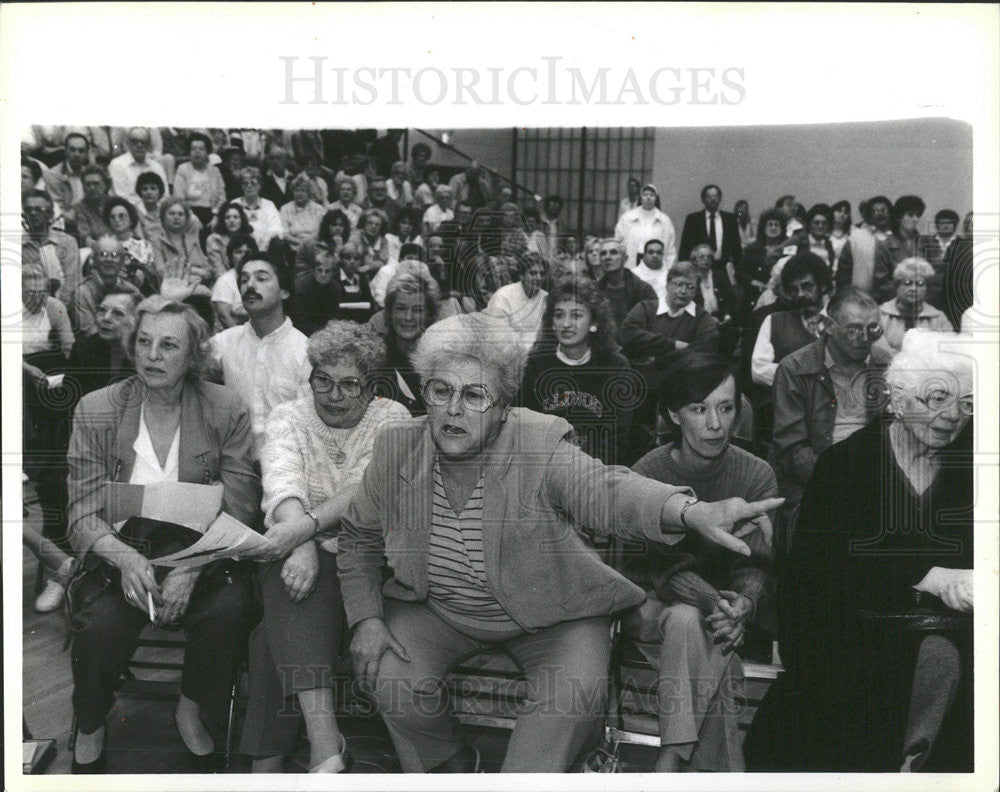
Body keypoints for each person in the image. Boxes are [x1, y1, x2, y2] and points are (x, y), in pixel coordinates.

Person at [336, 312, 784, 773]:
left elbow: (608, 490)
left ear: (505, 406)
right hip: (443, 609)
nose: (454, 409)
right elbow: (357, 538)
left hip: (554, 615)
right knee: (387, 672)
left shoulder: (537, 440)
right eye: (440, 390)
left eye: (474, 395)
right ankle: (449, 762)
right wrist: (366, 618)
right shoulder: (396, 448)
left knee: (573, 693)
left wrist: (693, 511)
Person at [746, 329, 974, 772]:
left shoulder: (976, 468)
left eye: (966, 404)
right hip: (854, 647)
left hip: (958, 642)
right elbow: (812, 582)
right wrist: (928, 575)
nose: (952, 416)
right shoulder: (846, 467)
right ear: (898, 397)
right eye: (937, 398)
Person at [65, 296, 260, 773]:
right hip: (122, 550)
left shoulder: (224, 407)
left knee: (231, 610)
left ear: (193, 356)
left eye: (169, 345)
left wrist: (192, 569)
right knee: (99, 624)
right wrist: (125, 560)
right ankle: (90, 720)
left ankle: (190, 707)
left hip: (202, 549)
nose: (153, 355)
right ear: (131, 348)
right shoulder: (97, 409)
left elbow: (241, 506)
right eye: (145, 342)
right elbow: (81, 514)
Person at [240, 321, 410, 774]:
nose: (334, 395)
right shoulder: (288, 417)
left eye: (349, 384)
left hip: (369, 559)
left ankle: (273, 762)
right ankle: (324, 745)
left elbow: (364, 489)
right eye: (323, 380)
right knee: (288, 580)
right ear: (310, 377)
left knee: (267, 639)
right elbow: (281, 482)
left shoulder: (392, 419)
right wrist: (302, 542)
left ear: (371, 387)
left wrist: (303, 530)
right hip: (297, 551)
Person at [620, 351, 777, 771]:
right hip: (652, 607)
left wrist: (744, 603)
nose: (715, 424)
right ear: (673, 414)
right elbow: (655, 570)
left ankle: (669, 761)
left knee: (694, 625)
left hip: (721, 620)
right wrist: (717, 603)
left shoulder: (755, 474)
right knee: (688, 618)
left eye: (726, 408)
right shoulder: (645, 473)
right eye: (699, 409)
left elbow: (756, 562)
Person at [769, 288, 891, 506]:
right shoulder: (794, 368)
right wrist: (838, 483)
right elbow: (792, 449)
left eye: (873, 329)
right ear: (830, 326)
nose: (865, 338)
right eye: (854, 330)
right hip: (814, 479)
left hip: (874, 476)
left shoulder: (885, 365)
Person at [518, 278, 635, 465]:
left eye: (576, 315)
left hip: (597, 470)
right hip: (544, 467)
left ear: (594, 322)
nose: (566, 324)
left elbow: (618, 437)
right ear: (552, 322)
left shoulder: (616, 367)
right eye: (558, 315)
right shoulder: (536, 364)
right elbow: (523, 426)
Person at [210, 252, 311, 456]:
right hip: (234, 463)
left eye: (261, 278)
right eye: (244, 279)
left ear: (284, 291)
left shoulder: (304, 351)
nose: (250, 286)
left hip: (287, 464)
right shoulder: (224, 342)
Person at [22, 267, 75, 613]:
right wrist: (28, 371)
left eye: (43, 291)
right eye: (30, 292)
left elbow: (70, 347)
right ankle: (63, 567)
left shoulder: (55, 307)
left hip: (49, 383)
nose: (37, 298)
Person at [750, 252, 832, 390]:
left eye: (806, 286)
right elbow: (759, 371)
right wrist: (804, 374)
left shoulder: (840, 318)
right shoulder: (774, 321)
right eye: (794, 289)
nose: (800, 294)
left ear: (822, 285)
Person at [621, 260, 720, 365]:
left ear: (695, 291)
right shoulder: (645, 308)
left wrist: (658, 359)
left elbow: (704, 350)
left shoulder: (702, 317)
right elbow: (627, 334)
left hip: (682, 376)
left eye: (690, 287)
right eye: (678, 284)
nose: (683, 291)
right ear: (667, 285)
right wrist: (673, 345)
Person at [379, 271, 442, 416]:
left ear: (429, 315)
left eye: (418, 310)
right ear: (389, 312)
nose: (408, 317)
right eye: (400, 308)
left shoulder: (440, 356)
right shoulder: (375, 355)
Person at [71, 236, 145, 336]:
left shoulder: (132, 290)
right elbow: (91, 332)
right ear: (93, 260)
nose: (109, 260)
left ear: (122, 261)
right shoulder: (82, 293)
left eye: (115, 255)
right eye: (103, 255)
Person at [876, 258, 953, 352]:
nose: (913, 289)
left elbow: (947, 348)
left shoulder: (938, 318)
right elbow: (876, 346)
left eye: (920, 284)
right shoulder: (880, 314)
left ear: (927, 288)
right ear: (897, 286)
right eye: (907, 283)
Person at [21, 189, 82, 307]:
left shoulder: (67, 242)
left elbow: (72, 282)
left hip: (60, 305)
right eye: (29, 210)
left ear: (50, 214)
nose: (33, 213)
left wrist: (57, 306)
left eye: (39, 209)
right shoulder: (18, 245)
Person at [485, 252, 548, 350]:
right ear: (521, 276)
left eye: (542, 274)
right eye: (533, 273)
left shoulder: (546, 298)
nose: (539, 278)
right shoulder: (503, 296)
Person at [595, 238, 657, 333]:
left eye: (613, 252)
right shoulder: (595, 290)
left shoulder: (643, 290)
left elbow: (652, 326)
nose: (607, 257)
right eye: (603, 253)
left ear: (625, 258)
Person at [835, 194, 893, 294]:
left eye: (883, 210)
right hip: (859, 298)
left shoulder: (896, 239)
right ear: (869, 215)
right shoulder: (856, 238)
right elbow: (843, 272)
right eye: (875, 211)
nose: (880, 214)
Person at [678, 184, 741, 276]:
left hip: (724, 271)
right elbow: (684, 249)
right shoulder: (693, 219)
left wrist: (737, 272)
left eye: (716, 196)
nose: (712, 199)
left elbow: (737, 250)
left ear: (720, 199)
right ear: (703, 200)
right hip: (699, 271)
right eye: (709, 196)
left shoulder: (730, 219)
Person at [736, 208, 788, 318]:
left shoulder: (788, 250)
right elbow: (740, 272)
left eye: (776, 225)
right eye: (770, 225)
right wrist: (753, 282)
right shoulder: (752, 249)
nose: (773, 228)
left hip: (782, 296)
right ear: (764, 228)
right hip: (755, 294)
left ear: (782, 229)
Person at [615, 184, 678, 269]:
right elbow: (618, 242)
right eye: (645, 195)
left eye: (652, 195)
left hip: (656, 265)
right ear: (641, 197)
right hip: (631, 264)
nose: (648, 198)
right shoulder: (627, 218)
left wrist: (668, 270)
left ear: (656, 198)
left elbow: (670, 249)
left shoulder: (664, 220)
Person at [172, 133, 226, 228]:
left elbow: (222, 197)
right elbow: (178, 197)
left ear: (207, 152)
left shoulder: (215, 171)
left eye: (201, 149)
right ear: (189, 151)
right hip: (188, 213)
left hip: (212, 212)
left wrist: (216, 216)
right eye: (193, 149)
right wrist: (191, 217)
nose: (197, 152)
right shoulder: (183, 169)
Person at [287, 239, 340, 337]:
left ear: (333, 273)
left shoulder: (336, 288)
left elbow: (333, 317)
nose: (323, 275)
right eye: (319, 270)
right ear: (313, 270)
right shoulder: (300, 287)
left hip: (326, 334)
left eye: (327, 271)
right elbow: (299, 322)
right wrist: (322, 335)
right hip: (301, 333)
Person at [103, 197, 159, 282]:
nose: (116, 220)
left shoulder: (144, 246)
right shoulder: (104, 246)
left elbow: (152, 276)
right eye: (112, 217)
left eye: (121, 216)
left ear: (131, 220)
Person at [210, 234, 257, 329]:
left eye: (248, 252)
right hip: (230, 334)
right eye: (238, 252)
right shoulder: (225, 281)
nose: (244, 255)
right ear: (231, 256)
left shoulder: (258, 280)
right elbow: (224, 317)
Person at [108, 127, 168, 200]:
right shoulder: (117, 164)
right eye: (134, 141)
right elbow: (121, 197)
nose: (139, 145)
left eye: (143, 142)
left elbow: (165, 196)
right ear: (128, 144)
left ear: (149, 146)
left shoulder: (157, 167)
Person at [235, 165, 285, 249]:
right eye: (245, 183)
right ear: (241, 186)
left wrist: (268, 236)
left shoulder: (268, 205)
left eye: (253, 182)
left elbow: (277, 227)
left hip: (265, 244)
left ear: (259, 185)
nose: (249, 186)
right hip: (241, 245)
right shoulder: (235, 204)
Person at [42, 131, 90, 215]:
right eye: (72, 150)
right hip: (67, 220)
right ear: (66, 151)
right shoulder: (53, 174)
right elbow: (56, 208)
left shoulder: (89, 173)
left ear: (86, 154)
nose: (77, 154)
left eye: (81, 150)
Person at [205, 202, 254, 280]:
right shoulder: (214, 240)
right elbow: (218, 270)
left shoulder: (249, 237)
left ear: (242, 220)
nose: (231, 220)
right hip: (224, 280)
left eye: (236, 217)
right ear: (222, 221)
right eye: (227, 217)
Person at [279, 173, 326, 251]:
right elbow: (283, 233)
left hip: (315, 246)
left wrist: (308, 242)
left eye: (303, 191)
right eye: (297, 190)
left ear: (309, 193)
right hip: (293, 247)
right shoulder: (285, 209)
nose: (299, 194)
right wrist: (299, 242)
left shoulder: (319, 209)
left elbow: (322, 230)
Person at [69, 166, 113, 249]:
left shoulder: (116, 204)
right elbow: (88, 240)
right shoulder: (80, 208)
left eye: (96, 183)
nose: (92, 188)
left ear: (106, 185)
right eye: (88, 184)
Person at [350, 207, 392, 277]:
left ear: (381, 228)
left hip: (373, 274)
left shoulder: (383, 241)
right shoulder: (355, 236)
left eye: (377, 225)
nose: (373, 227)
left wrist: (368, 267)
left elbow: (382, 261)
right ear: (364, 224)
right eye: (369, 223)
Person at [133, 171, 167, 242]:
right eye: (145, 189)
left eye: (153, 188)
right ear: (140, 192)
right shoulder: (135, 212)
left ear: (160, 191)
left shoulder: (165, 209)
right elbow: (140, 239)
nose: (149, 192)